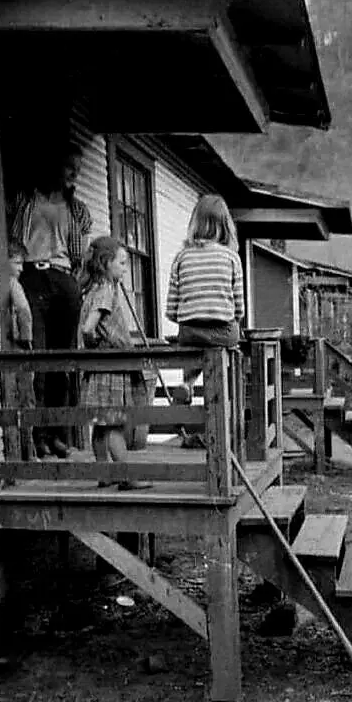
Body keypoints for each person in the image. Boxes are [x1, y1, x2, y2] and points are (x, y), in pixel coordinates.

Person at [9, 142, 93, 459]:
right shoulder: (24, 198)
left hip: (63, 277)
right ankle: (38, 436)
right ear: (53, 167)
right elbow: (12, 239)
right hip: (32, 276)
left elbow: (82, 254)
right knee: (39, 361)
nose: (75, 174)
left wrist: (75, 282)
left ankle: (58, 434)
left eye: (78, 169)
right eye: (69, 167)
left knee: (62, 363)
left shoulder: (78, 209)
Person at [78, 236, 150, 491]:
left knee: (100, 425)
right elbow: (89, 328)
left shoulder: (93, 289)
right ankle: (126, 476)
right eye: (121, 262)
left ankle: (103, 473)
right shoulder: (106, 290)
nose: (124, 268)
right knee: (114, 425)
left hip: (97, 370)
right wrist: (97, 343)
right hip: (110, 367)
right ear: (106, 263)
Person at [165, 194, 245, 405]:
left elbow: (171, 309)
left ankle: (188, 385)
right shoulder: (231, 257)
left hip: (190, 332)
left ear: (195, 223)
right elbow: (239, 308)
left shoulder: (181, 257)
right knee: (231, 343)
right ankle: (226, 392)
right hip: (222, 332)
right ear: (226, 226)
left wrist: (192, 316)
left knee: (192, 348)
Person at [2, 243, 36, 460]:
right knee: (26, 398)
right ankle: (28, 453)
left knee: (10, 401)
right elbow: (23, 310)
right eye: (17, 263)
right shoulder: (12, 283)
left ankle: (14, 455)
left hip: (4, 347)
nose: (21, 268)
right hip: (16, 347)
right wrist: (27, 340)